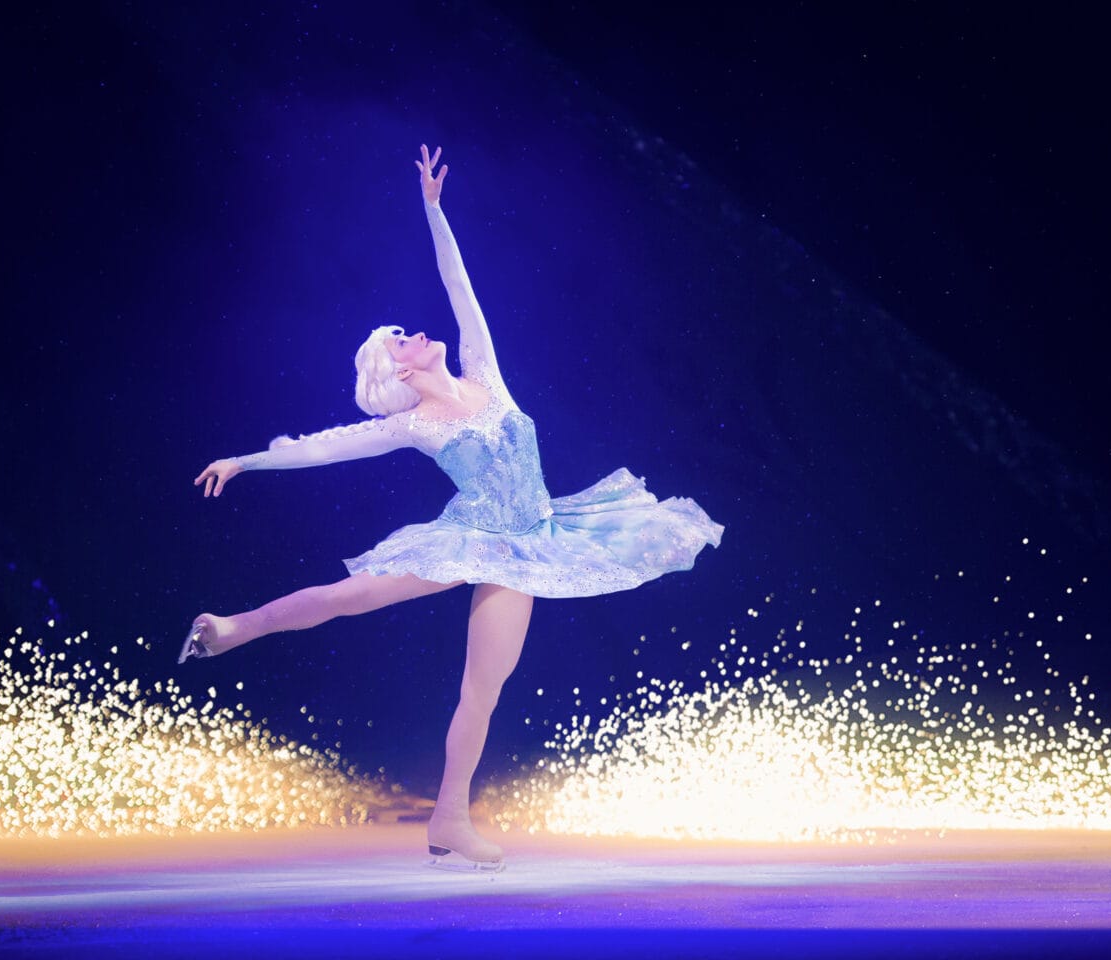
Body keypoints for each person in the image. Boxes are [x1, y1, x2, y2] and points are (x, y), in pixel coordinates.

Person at [186, 144, 723, 870]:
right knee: (348, 597)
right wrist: (243, 460)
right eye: (402, 338)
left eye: (409, 329)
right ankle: (232, 628)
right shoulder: (410, 424)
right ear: (399, 368)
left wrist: (434, 210)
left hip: (533, 540)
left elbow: (459, 282)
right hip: (468, 539)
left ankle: (448, 818)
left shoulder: (485, 373)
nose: (417, 332)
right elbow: (321, 448)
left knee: (484, 689)